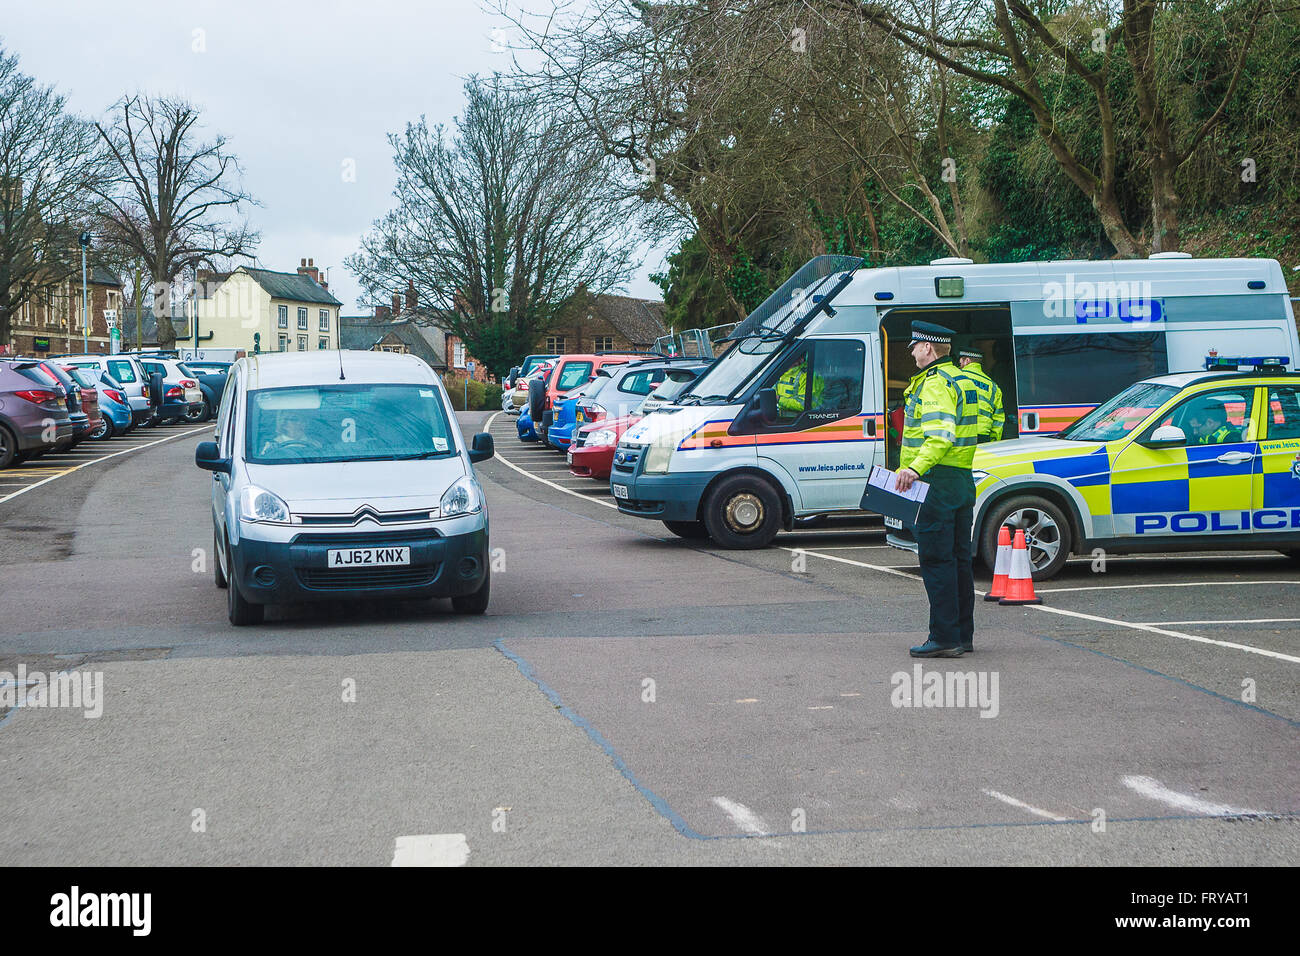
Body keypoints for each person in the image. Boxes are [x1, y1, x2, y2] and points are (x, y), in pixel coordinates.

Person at [895, 321, 980, 657]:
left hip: (936, 481)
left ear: (927, 348)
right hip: (960, 478)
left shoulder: (934, 384)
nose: (913, 353)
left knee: (936, 560)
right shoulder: (962, 379)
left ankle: (944, 637)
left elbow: (940, 434)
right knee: (959, 560)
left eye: (915, 347)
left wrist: (915, 468)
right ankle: (962, 634)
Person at [955, 344, 1005, 443]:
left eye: (960, 361)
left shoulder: (956, 378)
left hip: (961, 433)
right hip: (983, 436)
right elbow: (998, 418)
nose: (959, 365)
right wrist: (994, 440)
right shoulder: (992, 386)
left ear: (967, 361)